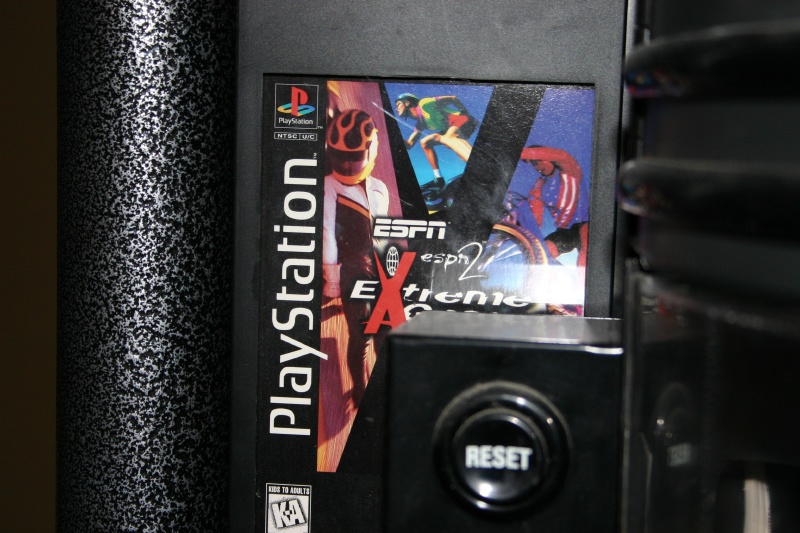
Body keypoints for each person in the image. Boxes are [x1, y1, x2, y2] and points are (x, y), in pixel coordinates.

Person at [322, 109, 389, 409]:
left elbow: (383, 236)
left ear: (371, 152)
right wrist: (333, 282)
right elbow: (327, 233)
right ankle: (360, 392)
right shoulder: (328, 185)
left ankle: (383, 388)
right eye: (340, 158)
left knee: (384, 333)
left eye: (354, 158)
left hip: (378, 269)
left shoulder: (380, 189)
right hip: (349, 270)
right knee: (361, 335)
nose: (347, 165)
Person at [520, 145, 589, 267]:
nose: (538, 167)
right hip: (565, 231)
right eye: (534, 164)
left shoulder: (569, 168)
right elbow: (535, 217)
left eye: (539, 160)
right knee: (540, 253)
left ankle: (584, 276)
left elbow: (560, 155)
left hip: (585, 224)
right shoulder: (540, 186)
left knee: (585, 256)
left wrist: (516, 152)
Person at [395, 93, 477, 188]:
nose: (396, 108)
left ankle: (478, 167)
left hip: (464, 120)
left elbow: (453, 98)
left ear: (407, 102)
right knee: (425, 142)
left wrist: (465, 113)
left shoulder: (424, 104)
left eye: (398, 104)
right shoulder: (420, 124)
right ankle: (438, 179)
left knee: (448, 138)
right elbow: (409, 144)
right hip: (452, 127)